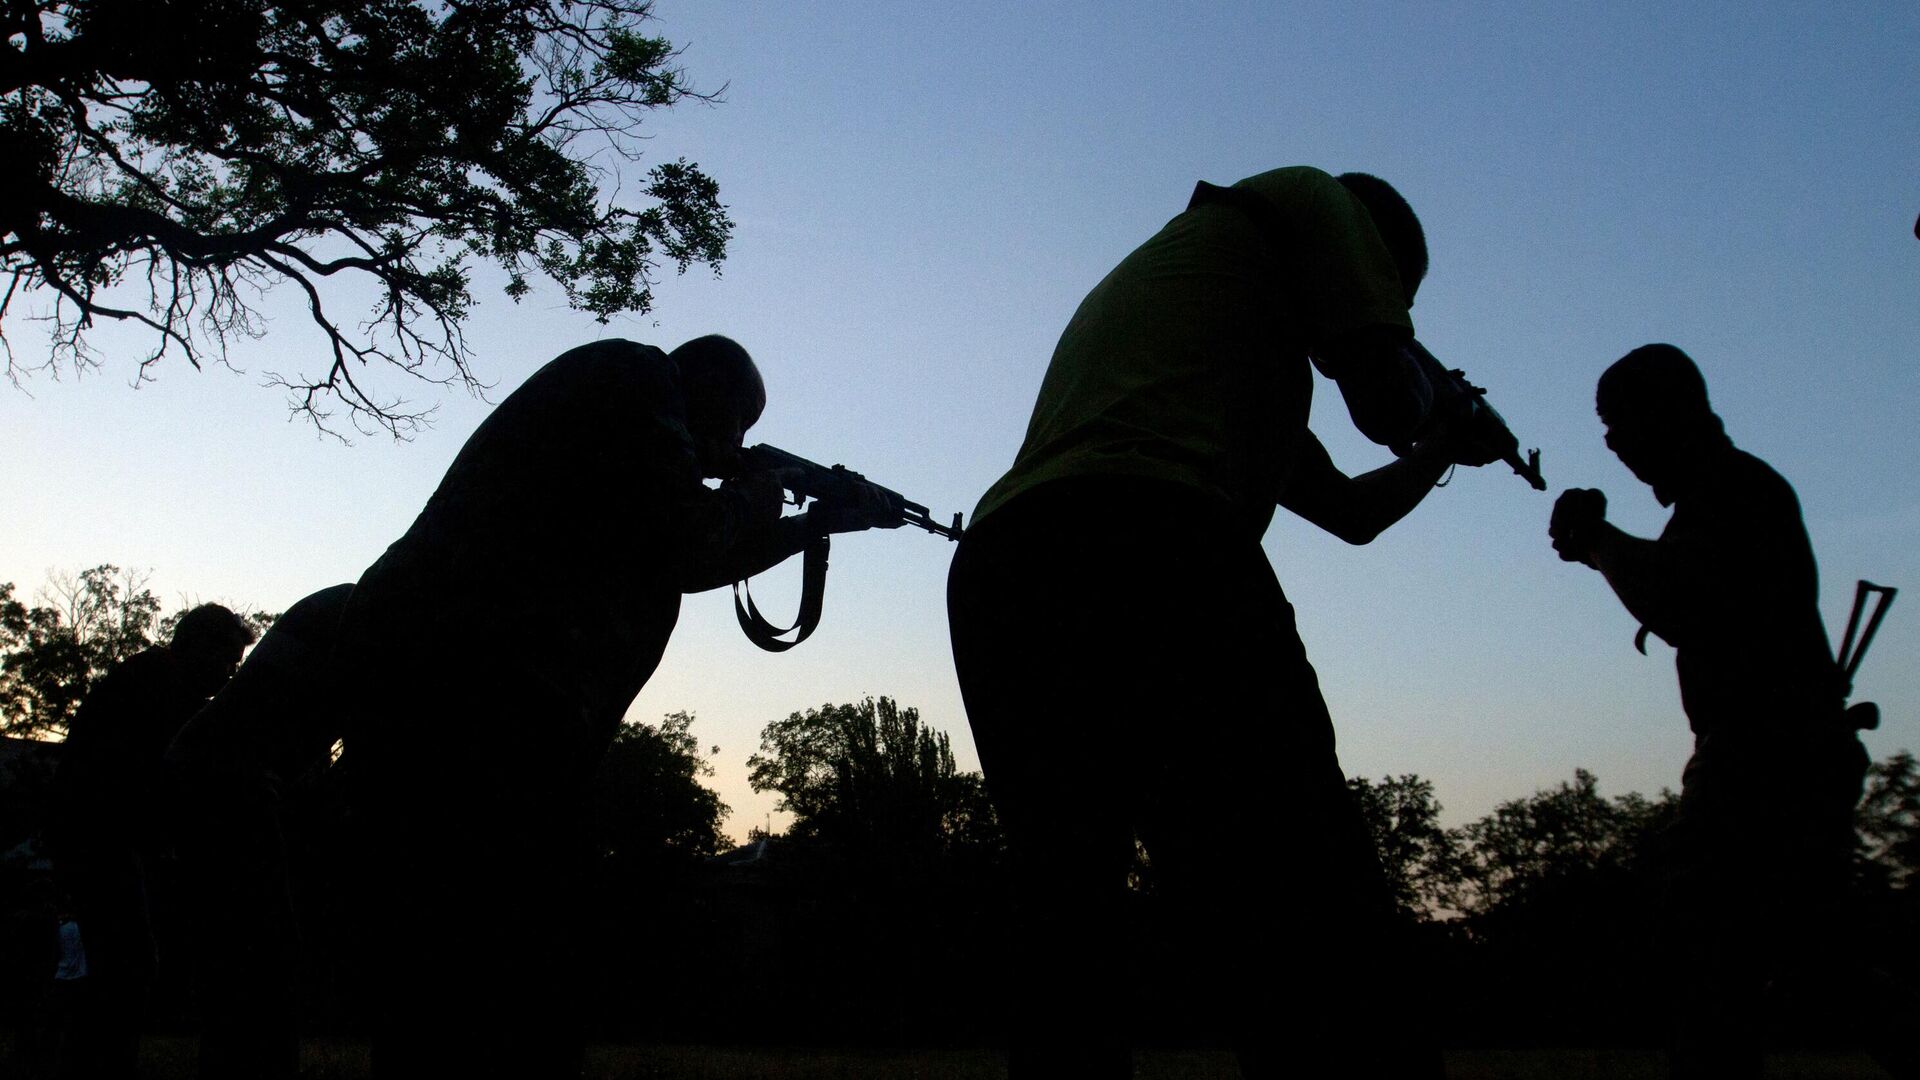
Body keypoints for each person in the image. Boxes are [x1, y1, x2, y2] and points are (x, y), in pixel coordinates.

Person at [946, 167, 1502, 1078]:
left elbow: (1351, 513)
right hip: (1153, 538)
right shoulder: (1317, 197)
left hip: (1012, 559)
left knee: (1068, 917)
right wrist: (1446, 406)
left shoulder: (1213, 320)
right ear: (1371, 254)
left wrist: (1441, 451)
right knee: (1307, 915)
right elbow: (1384, 398)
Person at [328, 335, 899, 1077]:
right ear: (708, 392)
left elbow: (687, 555)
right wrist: (765, 486)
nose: (736, 445)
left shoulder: (623, 426)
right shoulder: (634, 374)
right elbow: (690, 538)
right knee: (502, 955)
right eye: (737, 425)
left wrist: (811, 525)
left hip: (448, 677)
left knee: (451, 958)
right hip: (470, 688)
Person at [1548, 343, 1912, 1079]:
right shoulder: (1726, 494)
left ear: (1676, 411)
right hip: (1784, 751)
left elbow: (1681, 599)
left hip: (1766, 755)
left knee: (1705, 948)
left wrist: (1598, 543)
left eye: (1621, 421)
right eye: (1606, 429)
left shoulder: (1734, 490)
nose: (1614, 442)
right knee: (1811, 958)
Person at [48, 604, 257, 1080]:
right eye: (227, 659)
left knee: (122, 961)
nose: (229, 674)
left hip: (96, 835)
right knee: (129, 963)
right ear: (198, 647)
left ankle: (87, 1057)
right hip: (97, 837)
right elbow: (163, 774)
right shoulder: (159, 687)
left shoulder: (150, 679)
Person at [165, 583, 355, 1080]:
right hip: (225, 809)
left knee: (259, 960)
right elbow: (189, 756)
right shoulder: (355, 618)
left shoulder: (341, 613)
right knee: (260, 960)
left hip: (237, 806)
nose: (228, 672)